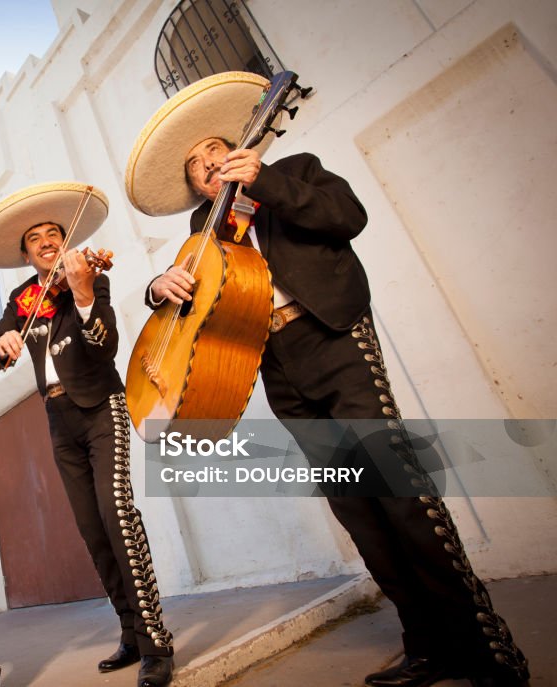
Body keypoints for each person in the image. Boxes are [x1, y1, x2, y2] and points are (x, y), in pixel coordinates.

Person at [126, 71, 529, 687]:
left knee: (402, 495)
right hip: (279, 367)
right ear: (193, 187)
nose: (207, 165)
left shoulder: (295, 171)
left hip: (334, 339)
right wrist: (159, 288)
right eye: (195, 167)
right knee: (358, 510)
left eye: (214, 151)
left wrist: (267, 182)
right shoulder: (200, 233)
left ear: (238, 149)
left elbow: (349, 215)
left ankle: (486, 649)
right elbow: (203, 310)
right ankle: (426, 645)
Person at [0, 182, 175, 687]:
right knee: (91, 529)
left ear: (65, 242)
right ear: (25, 253)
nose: (45, 241)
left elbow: (102, 346)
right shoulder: (23, 299)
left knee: (117, 515)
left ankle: (155, 641)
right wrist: (4, 342)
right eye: (35, 238)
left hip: (101, 406)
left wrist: (82, 294)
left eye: (53, 234)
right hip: (58, 417)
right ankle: (129, 633)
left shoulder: (88, 275)